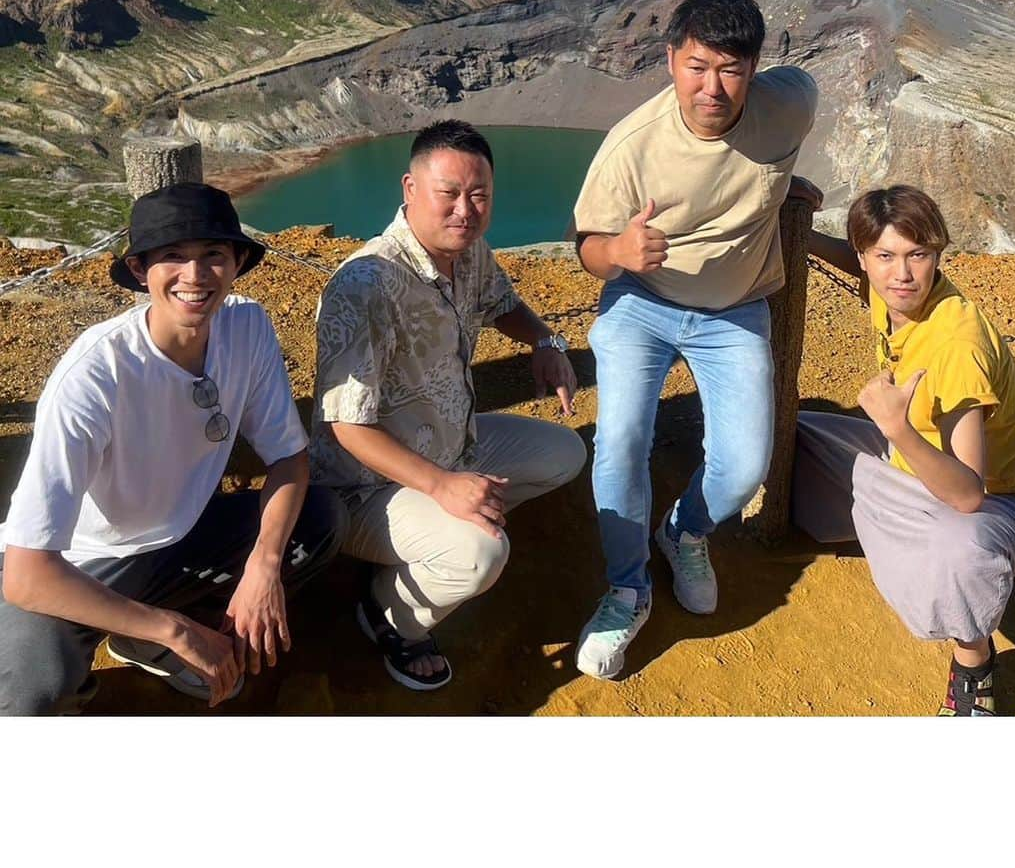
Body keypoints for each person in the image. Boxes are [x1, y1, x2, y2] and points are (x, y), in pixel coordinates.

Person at [0, 182, 347, 715]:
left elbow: (288, 460)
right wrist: (177, 631)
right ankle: (158, 634)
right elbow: (27, 574)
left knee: (320, 519)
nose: (195, 275)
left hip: (180, 542)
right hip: (82, 564)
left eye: (213, 254)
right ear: (141, 271)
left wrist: (264, 564)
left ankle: (142, 639)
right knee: (28, 697)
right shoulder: (96, 375)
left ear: (236, 264)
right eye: (172, 257)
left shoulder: (247, 326)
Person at [571, 0, 819, 679]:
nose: (713, 87)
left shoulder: (788, 104)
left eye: (732, 69)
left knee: (743, 466)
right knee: (620, 441)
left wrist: (783, 186)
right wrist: (617, 253)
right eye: (697, 66)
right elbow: (586, 245)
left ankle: (684, 532)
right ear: (672, 58)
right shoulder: (633, 146)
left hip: (735, 310)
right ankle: (627, 586)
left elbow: (780, 136)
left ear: (755, 68)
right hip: (641, 301)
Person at [309, 120, 586, 691]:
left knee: (565, 454)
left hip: (450, 444)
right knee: (482, 553)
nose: (465, 209)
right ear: (410, 189)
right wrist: (441, 488)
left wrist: (544, 341)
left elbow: (502, 302)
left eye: (479, 194)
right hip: (367, 487)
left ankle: (437, 542)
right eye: (449, 194)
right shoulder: (366, 284)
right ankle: (391, 613)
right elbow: (347, 428)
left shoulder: (468, 252)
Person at [795, 185, 1015, 716]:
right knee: (794, 437)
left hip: (1008, 501)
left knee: (956, 550)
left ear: (937, 254)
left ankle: (973, 660)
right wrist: (801, 234)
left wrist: (898, 430)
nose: (901, 274)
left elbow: (968, 493)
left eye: (918, 255)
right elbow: (861, 259)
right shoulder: (895, 287)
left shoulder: (956, 347)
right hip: (918, 465)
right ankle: (883, 525)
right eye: (886, 257)